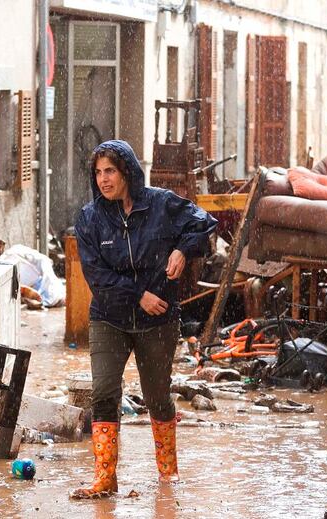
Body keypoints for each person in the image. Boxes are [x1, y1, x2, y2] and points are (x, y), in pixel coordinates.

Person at [71, 140, 217, 499]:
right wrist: (138, 294)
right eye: (98, 173)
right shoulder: (89, 219)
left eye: (111, 171)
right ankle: (105, 478)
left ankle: (168, 472)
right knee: (104, 391)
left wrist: (183, 249)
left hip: (159, 321)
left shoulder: (161, 204)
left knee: (156, 397)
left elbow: (204, 223)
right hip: (110, 317)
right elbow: (97, 276)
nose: (104, 180)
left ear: (127, 172)